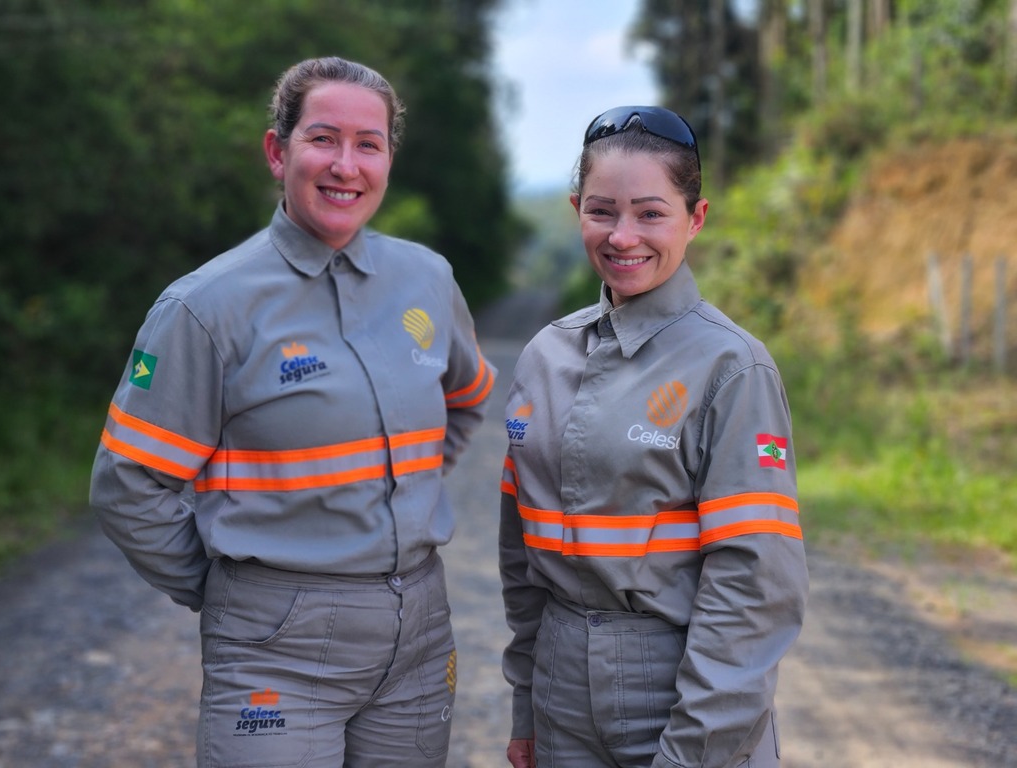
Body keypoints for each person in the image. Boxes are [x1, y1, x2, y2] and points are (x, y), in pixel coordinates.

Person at [89, 55, 496, 767]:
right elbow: (128, 485)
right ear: (279, 152)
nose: (346, 165)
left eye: (368, 144)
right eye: (323, 139)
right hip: (274, 645)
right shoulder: (205, 307)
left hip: (421, 635)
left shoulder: (426, 279)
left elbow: (464, 402)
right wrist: (232, 588)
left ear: (388, 160)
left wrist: (396, 502)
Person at [498, 106, 808, 768]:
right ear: (577, 208)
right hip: (559, 691)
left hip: (676, 691)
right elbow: (520, 559)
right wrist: (528, 703)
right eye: (603, 211)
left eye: (651, 213)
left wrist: (695, 747)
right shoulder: (543, 357)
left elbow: (754, 584)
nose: (623, 236)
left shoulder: (731, 366)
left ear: (695, 219)